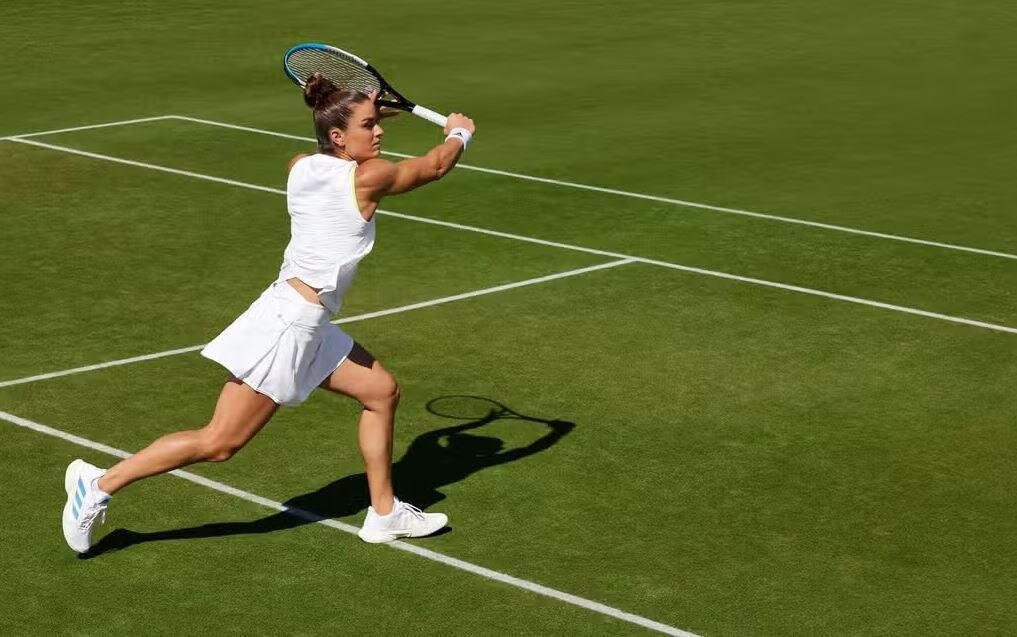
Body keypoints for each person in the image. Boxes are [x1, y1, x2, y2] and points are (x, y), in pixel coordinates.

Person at [61, 73, 476, 553]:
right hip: (290, 327)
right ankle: (99, 485)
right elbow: (433, 166)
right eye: (369, 125)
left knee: (381, 393)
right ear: (339, 137)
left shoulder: (300, 165)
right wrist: (458, 132)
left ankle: (384, 514)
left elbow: (334, 150)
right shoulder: (369, 178)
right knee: (220, 442)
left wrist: (361, 116)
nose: (379, 131)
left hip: (304, 319)